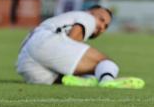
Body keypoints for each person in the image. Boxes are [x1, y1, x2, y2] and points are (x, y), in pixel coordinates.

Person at [16, 5, 144, 89]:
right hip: (46, 41)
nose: (101, 26)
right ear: (90, 12)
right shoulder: (86, 17)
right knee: (105, 62)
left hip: (24, 62)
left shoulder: (59, 20)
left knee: (67, 78)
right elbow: (72, 40)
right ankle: (107, 80)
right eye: (101, 19)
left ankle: (89, 79)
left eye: (106, 26)